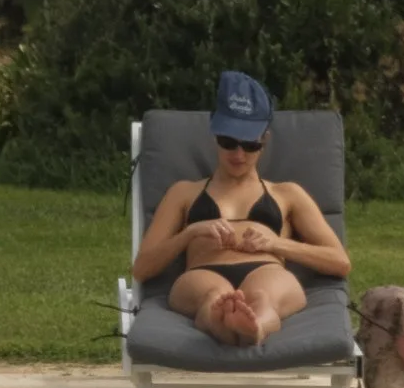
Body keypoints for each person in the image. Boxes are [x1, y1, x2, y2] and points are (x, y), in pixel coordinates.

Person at [132, 70, 350, 346]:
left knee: (263, 299)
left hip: (265, 269)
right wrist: (189, 234)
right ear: (214, 133)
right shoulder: (184, 193)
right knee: (213, 299)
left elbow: (340, 262)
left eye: (249, 145)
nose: (238, 154)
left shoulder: (287, 193)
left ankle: (254, 328)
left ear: (265, 140)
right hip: (204, 271)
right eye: (228, 142)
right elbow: (142, 268)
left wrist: (277, 244)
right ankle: (224, 321)